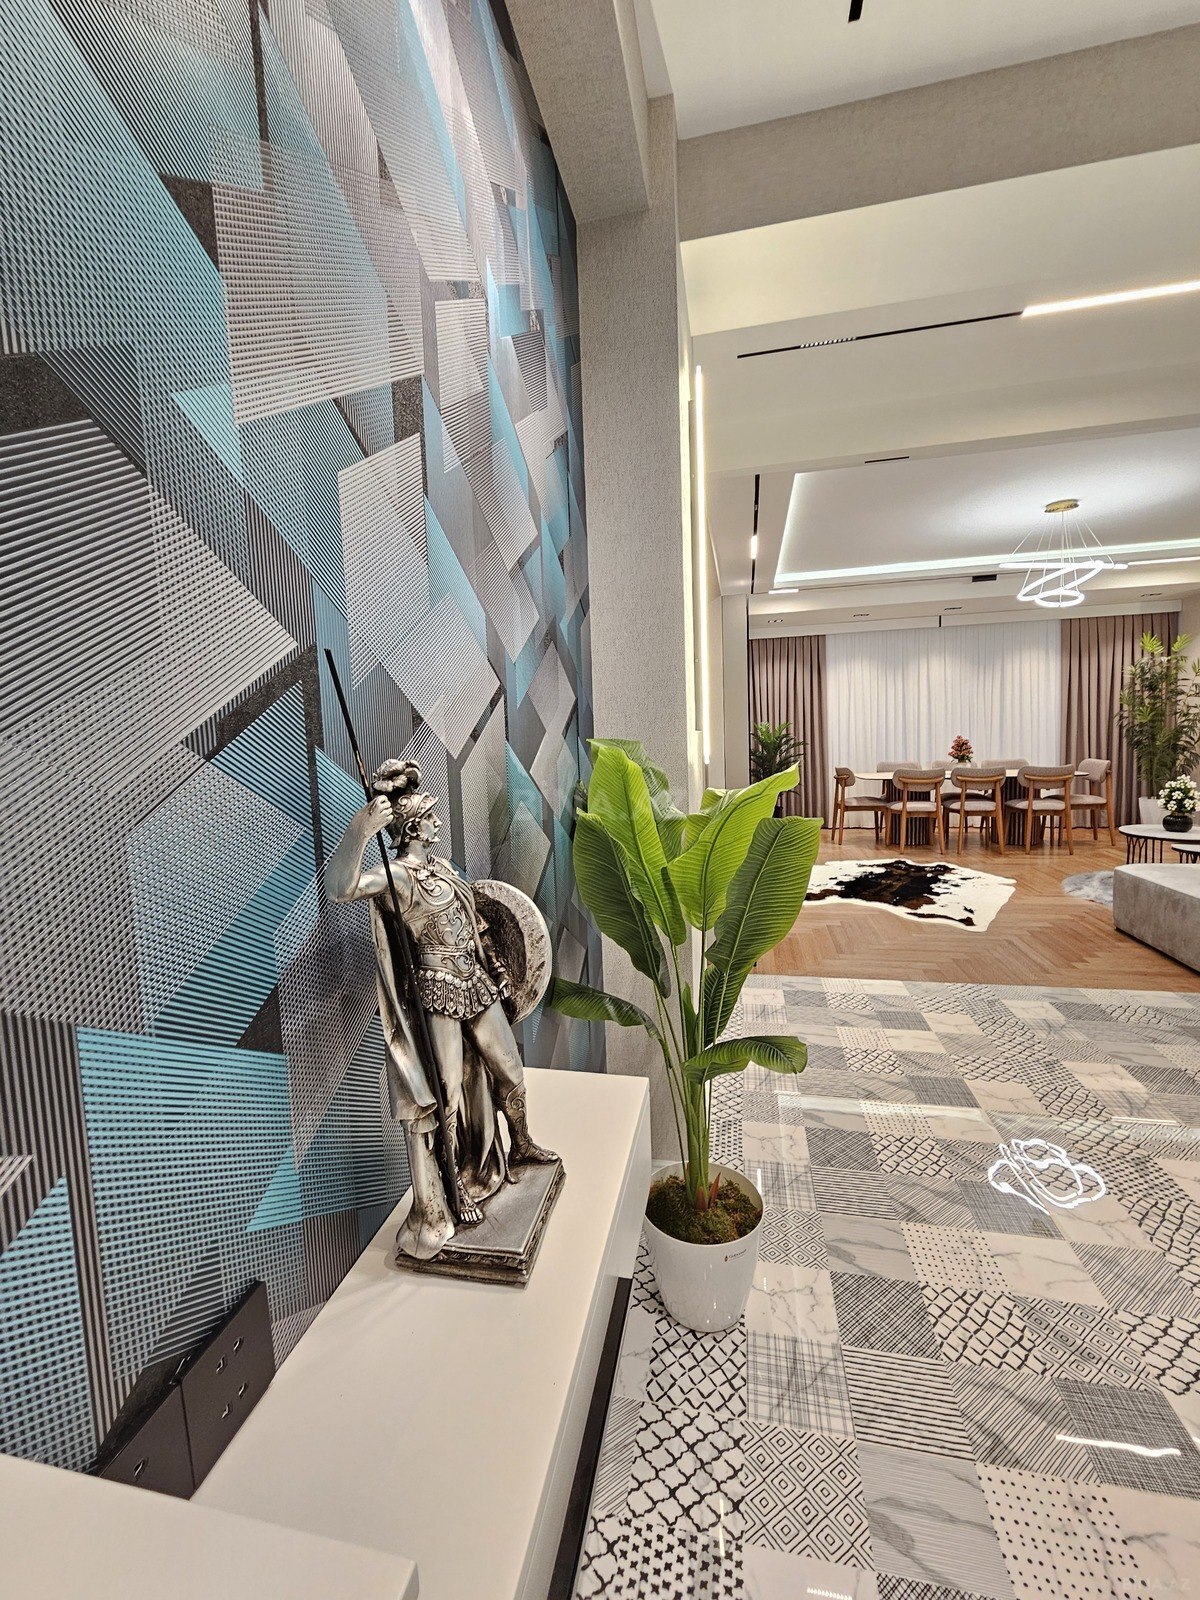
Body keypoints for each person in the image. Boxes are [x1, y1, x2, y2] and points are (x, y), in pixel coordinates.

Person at [326, 758, 556, 1260]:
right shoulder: (398, 877)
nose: (435, 822)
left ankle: (521, 1141)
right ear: (411, 829)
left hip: (474, 981)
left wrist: (497, 968)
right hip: (436, 991)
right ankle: (453, 1188)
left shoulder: (444, 869)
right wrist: (361, 830)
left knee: (510, 1069)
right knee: (448, 1093)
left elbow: (476, 923)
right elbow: (342, 887)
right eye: (428, 817)